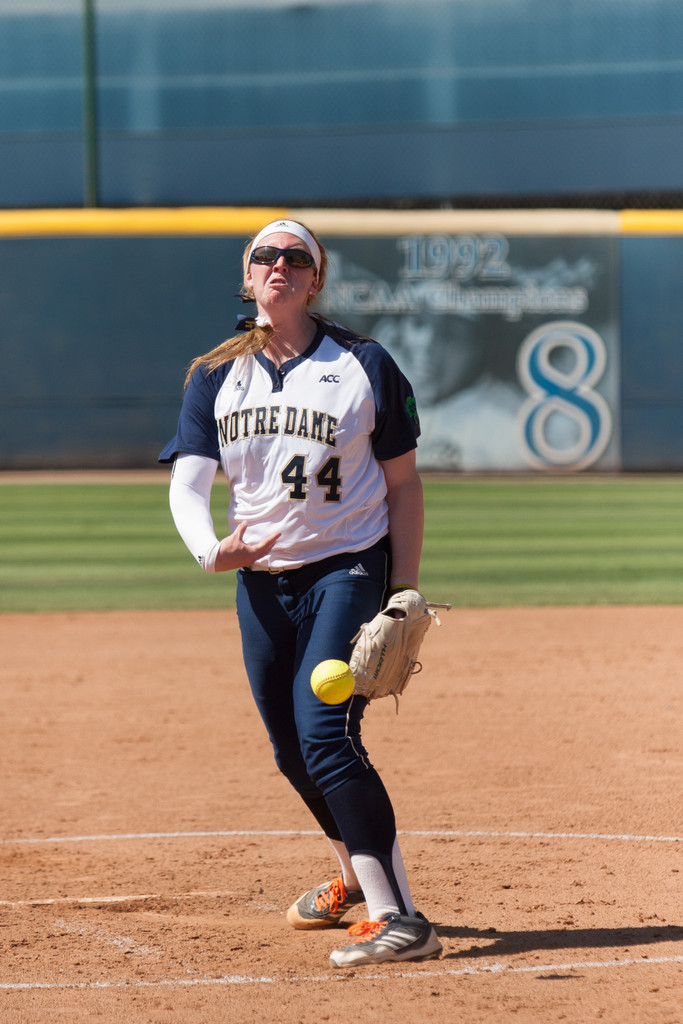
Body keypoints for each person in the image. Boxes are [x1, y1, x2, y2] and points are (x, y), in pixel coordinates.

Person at [159, 219, 442, 969]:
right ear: (248, 276)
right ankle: (353, 877)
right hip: (260, 585)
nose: (278, 265)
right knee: (291, 749)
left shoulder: (364, 363)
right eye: (265, 256)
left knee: (325, 735)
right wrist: (210, 551)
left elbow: (404, 486)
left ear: (315, 280)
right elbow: (188, 483)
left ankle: (400, 917)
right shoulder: (215, 376)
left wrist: (403, 590)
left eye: (296, 258)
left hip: (346, 569)